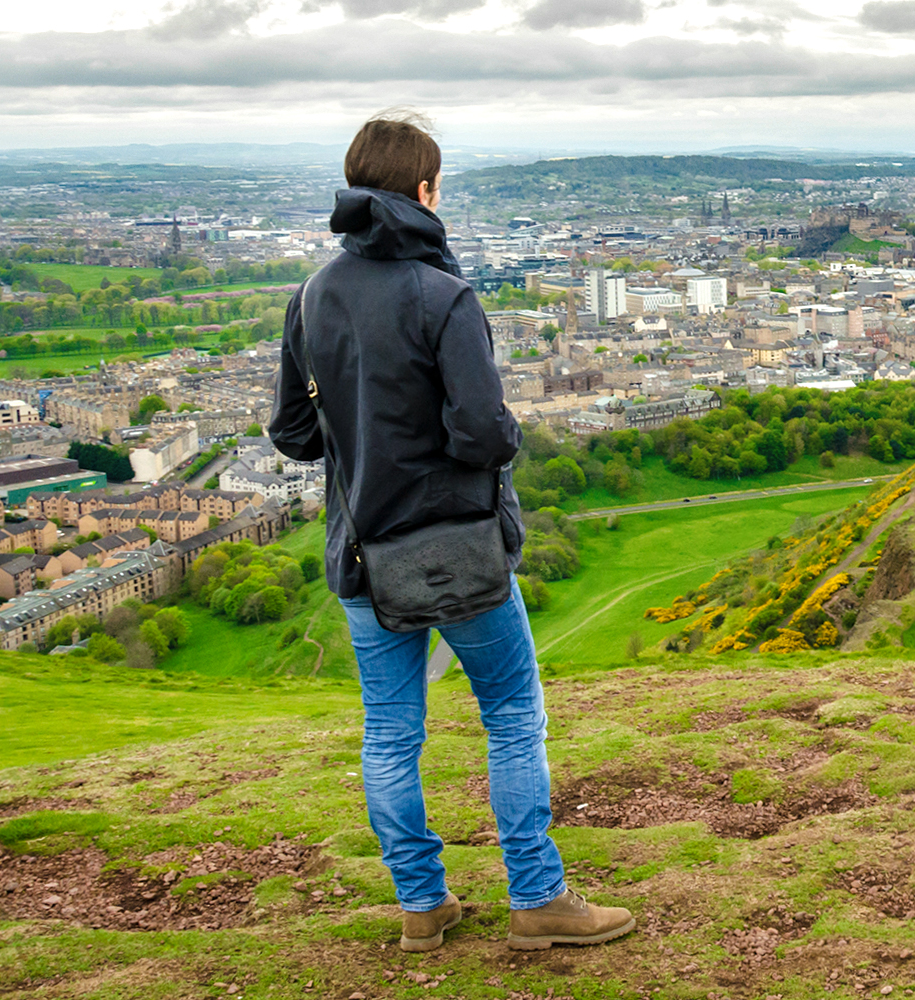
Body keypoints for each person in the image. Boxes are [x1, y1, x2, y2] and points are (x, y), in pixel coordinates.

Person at [270, 109, 634, 954]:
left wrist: (359, 435)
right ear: (427, 191)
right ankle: (538, 897)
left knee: (390, 732)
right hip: (460, 546)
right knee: (511, 712)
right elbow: (483, 432)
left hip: (364, 554)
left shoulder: (313, 294)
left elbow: (291, 433)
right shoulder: (443, 294)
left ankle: (422, 906)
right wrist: (495, 439)